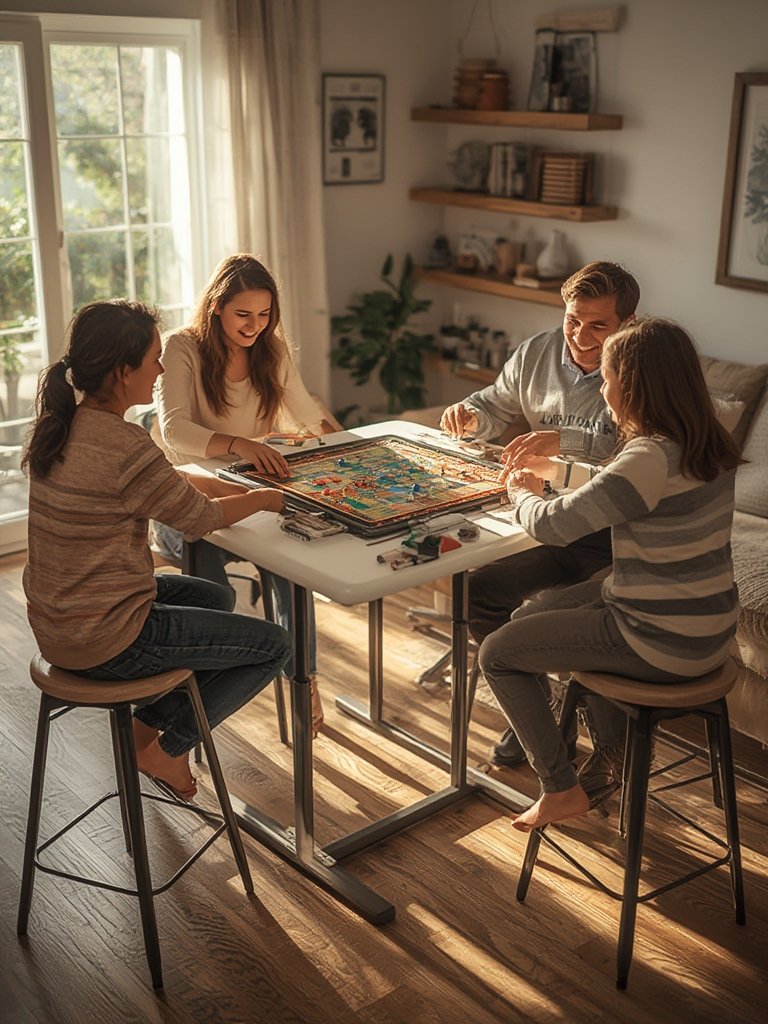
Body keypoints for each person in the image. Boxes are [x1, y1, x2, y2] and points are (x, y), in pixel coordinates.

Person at [479, 317, 742, 830]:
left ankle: (560, 788)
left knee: (498, 653)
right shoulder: (705, 440)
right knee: (530, 615)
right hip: (710, 629)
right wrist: (558, 471)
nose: (602, 391)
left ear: (634, 387)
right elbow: (621, 483)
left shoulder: (648, 456)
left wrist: (519, 492)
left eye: (606, 379)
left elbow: (553, 526)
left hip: (658, 637)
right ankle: (612, 753)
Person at [22, 300, 292, 801]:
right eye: (153, 359)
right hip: (108, 638)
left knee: (214, 597)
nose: (162, 369)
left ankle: (142, 728)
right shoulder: (125, 444)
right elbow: (200, 519)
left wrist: (235, 488)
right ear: (123, 372)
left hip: (61, 624)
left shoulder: (63, 426)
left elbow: (166, 482)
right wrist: (266, 498)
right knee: (275, 645)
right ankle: (168, 747)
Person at [440, 260, 640, 767]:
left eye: (598, 325)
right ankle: (543, 717)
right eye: (573, 320)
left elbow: (633, 454)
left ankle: (593, 746)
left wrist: (559, 444)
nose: (581, 337)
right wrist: (472, 415)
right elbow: (494, 404)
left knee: (548, 616)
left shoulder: (640, 369)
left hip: (609, 538)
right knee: (479, 589)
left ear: (627, 324)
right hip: (548, 528)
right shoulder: (536, 352)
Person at [155, 254, 340, 736]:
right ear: (216, 306)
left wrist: (350, 449)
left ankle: (303, 679)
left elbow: (307, 413)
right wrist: (242, 444)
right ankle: (204, 685)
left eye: (264, 314)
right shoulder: (181, 347)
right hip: (184, 497)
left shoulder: (270, 348)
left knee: (290, 564)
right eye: (243, 314)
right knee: (206, 561)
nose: (255, 326)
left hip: (251, 492)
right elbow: (174, 432)